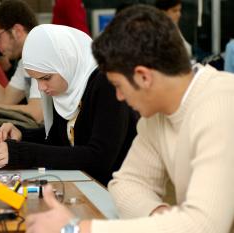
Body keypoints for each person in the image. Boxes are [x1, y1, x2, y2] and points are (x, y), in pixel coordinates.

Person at [25, 5, 234, 233]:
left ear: (143, 76)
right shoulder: (156, 116)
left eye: (118, 85)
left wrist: (77, 228)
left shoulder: (221, 104)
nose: (119, 97)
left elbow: (204, 225)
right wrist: (162, 219)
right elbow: (124, 185)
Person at [0, 24, 137, 186]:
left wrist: (20, 153)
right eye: (36, 80)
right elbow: (58, 139)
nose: (41, 87)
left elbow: (99, 158)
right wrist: (21, 134)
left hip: (115, 192)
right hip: (83, 184)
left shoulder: (108, 84)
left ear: (66, 62)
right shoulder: (66, 86)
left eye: (46, 78)